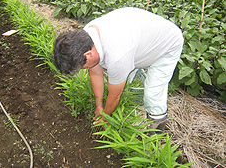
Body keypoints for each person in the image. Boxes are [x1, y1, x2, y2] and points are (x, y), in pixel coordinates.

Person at [53, 7, 184, 133]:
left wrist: (105, 117)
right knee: (122, 76)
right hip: (138, 38)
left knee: (153, 94)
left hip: (168, 44)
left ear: (88, 54)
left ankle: (156, 133)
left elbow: (115, 96)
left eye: (82, 66)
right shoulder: (86, 36)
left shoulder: (117, 57)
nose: (84, 69)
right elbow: (95, 72)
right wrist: (99, 106)